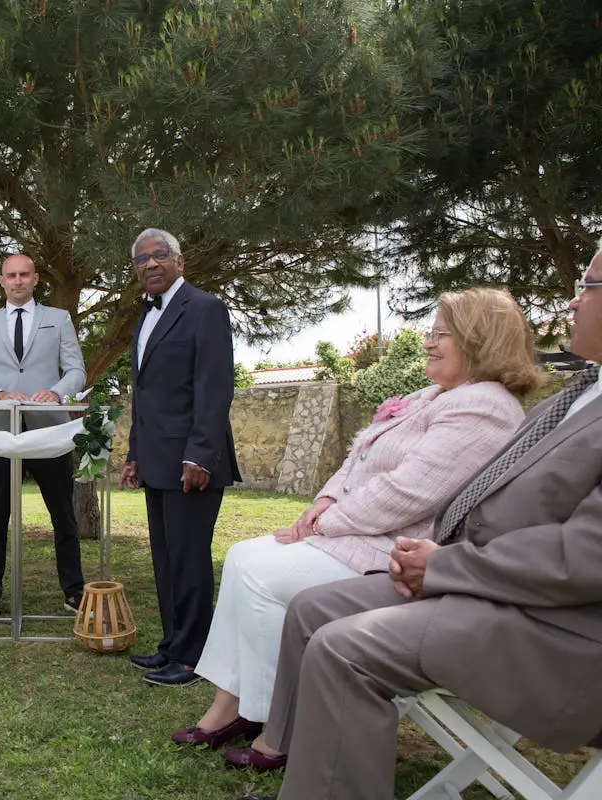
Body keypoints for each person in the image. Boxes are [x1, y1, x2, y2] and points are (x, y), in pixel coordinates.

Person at [236, 245, 602, 800]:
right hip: (500, 591)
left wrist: (448, 566)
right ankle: (287, 748)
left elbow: (584, 558)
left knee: (341, 648)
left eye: (590, 285)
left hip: (559, 632)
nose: (572, 302)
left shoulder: (491, 404)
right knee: (314, 608)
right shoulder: (584, 393)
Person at [174, 288, 542, 755]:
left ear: (480, 340)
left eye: (441, 334)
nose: (428, 342)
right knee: (244, 556)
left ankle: (274, 723)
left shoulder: (484, 407)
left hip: (394, 550)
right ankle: (234, 705)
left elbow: (409, 492)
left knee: (259, 575)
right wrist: (325, 498)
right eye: (430, 332)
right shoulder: (436, 395)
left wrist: (325, 524)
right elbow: (360, 454)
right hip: (363, 534)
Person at [119, 228, 242, 687]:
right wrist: (134, 454)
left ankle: (194, 657)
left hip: (193, 462)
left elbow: (215, 389)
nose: (150, 264)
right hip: (156, 459)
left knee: (190, 561)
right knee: (166, 560)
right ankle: (173, 644)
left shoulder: (206, 309)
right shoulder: (144, 317)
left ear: (179, 261)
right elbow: (145, 396)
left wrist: (200, 457)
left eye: (159, 255)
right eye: (141, 259)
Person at [0, 253, 87, 614]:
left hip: (50, 430)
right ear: (1, 281)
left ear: (36, 279)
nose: (17, 281)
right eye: (10, 275)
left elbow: (76, 370)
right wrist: (0, 395)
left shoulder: (58, 318)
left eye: (24, 274)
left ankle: (75, 591)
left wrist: (57, 391)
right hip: (1, 430)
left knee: (63, 514)